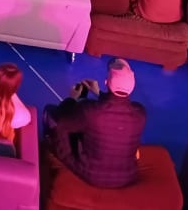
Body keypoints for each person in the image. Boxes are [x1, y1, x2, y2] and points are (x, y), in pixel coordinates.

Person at [44, 58, 146, 189]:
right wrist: (98, 94)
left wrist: (71, 98)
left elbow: (62, 119)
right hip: (127, 177)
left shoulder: (90, 111)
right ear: (132, 88)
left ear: (106, 82)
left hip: (93, 175)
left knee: (51, 114)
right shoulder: (140, 113)